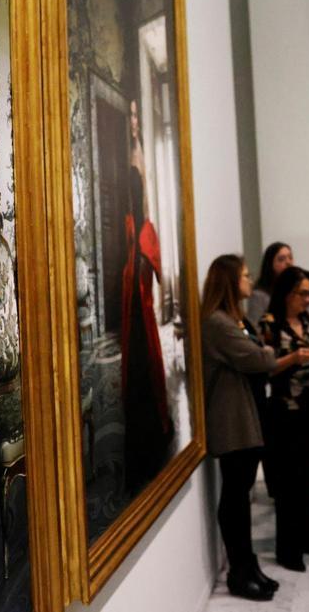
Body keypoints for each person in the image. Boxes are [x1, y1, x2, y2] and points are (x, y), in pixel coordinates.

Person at [201, 254, 309, 601]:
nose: (251, 281)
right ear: (231, 281)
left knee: (242, 492)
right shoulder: (218, 322)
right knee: (235, 496)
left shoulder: (235, 320)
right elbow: (259, 358)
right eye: (245, 276)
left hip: (246, 413)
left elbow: (258, 354)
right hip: (231, 418)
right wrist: (268, 352)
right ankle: (239, 571)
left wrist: (262, 350)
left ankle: (248, 566)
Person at [263, 266, 309, 571]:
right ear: (286, 293)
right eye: (302, 293)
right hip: (283, 409)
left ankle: (307, 539)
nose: (307, 299)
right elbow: (263, 367)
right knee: (288, 480)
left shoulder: (307, 321)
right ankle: (287, 550)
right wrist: (292, 358)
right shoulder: (269, 324)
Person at [121, 163, 175, 493]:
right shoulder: (132, 228)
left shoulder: (144, 230)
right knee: (137, 382)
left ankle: (150, 449)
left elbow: (150, 268)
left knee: (145, 379)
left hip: (142, 318)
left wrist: (140, 260)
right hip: (135, 318)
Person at [247, 241, 309, 338]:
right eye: (281, 259)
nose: (288, 262)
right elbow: (253, 330)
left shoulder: (306, 289)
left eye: (290, 257)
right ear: (270, 265)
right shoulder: (260, 295)